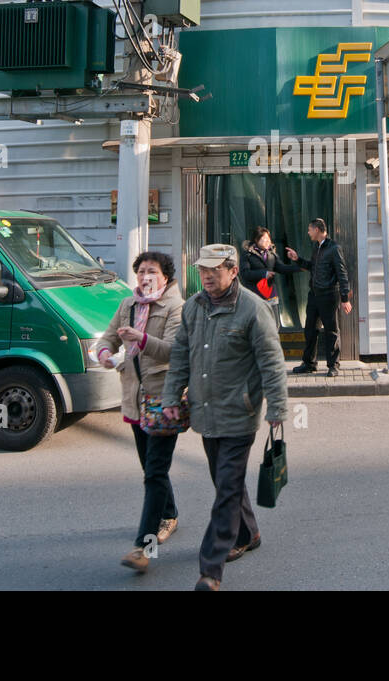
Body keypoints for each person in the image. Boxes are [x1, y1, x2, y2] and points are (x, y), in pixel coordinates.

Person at [162, 244, 288, 592]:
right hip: (205, 413)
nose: (207, 276)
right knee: (225, 481)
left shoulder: (253, 309)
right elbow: (181, 356)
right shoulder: (193, 307)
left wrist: (277, 409)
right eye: (203, 270)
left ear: (233, 271)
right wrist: (172, 396)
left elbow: (272, 364)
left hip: (240, 413)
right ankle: (250, 532)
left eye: (215, 270)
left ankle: (211, 570)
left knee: (227, 488)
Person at [96, 251, 185, 573]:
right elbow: (107, 338)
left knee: (154, 472)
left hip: (163, 399)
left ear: (165, 276)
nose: (145, 277)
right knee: (151, 467)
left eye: (152, 271)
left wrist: (142, 339)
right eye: (141, 271)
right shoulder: (127, 305)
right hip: (133, 398)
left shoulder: (176, 306)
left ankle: (142, 547)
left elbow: (175, 350)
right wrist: (105, 353)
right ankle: (170, 514)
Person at [285, 218, 352, 376]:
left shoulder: (334, 248)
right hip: (314, 295)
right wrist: (298, 259)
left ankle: (333, 365)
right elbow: (312, 267)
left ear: (317, 229)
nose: (308, 232)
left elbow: (342, 274)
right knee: (310, 330)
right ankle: (309, 363)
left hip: (329, 295)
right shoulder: (317, 247)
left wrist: (345, 298)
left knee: (331, 331)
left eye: (310, 229)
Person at [239, 226, 299, 330]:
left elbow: (282, 268)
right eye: (264, 239)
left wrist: (300, 266)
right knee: (257, 326)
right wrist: (264, 274)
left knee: (274, 326)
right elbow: (245, 274)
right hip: (255, 294)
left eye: (268, 239)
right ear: (256, 240)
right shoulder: (247, 255)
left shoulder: (271, 253)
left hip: (270, 293)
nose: (268, 241)